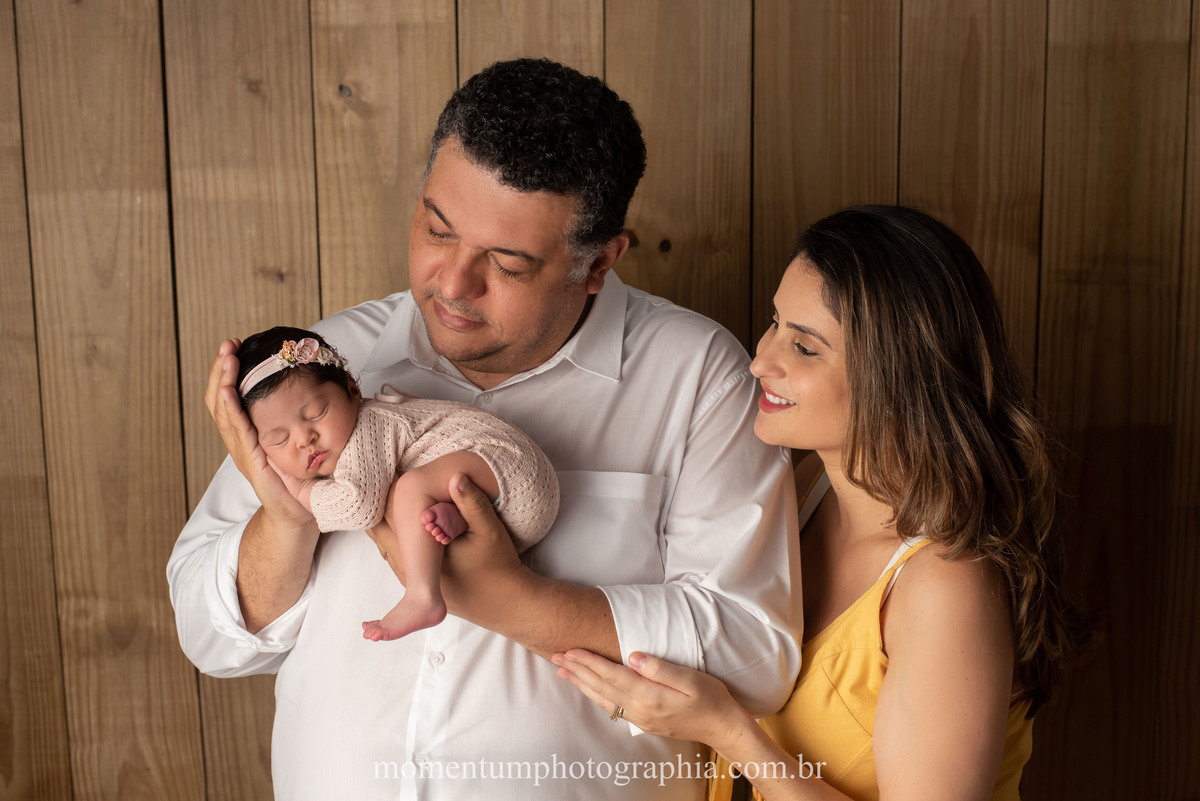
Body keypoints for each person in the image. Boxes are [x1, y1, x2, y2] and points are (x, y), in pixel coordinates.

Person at [167, 58, 800, 799]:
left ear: (599, 263)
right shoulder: (324, 369)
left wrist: (523, 605)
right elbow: (208, 633)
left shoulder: (695, 376)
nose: (452, 282)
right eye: (437, 229)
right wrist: (284, 515)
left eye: (506, 261)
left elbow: (756, 653)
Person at [554, 205, 1087, 801]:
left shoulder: (945, 586)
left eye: (805, 348)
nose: (761, 361)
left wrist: (726, 731)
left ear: (897, 374)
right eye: (774, 323)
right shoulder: (806, 487)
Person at [232, 325, 559, 641]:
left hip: (515, 473)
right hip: (501, 506)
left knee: (409, 489)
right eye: (280, 438)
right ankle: (452, 516)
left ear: (352, 389)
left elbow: (358, 506)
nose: (305, 439)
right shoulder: (345, 443)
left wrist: (300, 489)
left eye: (316, 413)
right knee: (417, 507)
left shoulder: (368, 425)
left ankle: (422, 596)